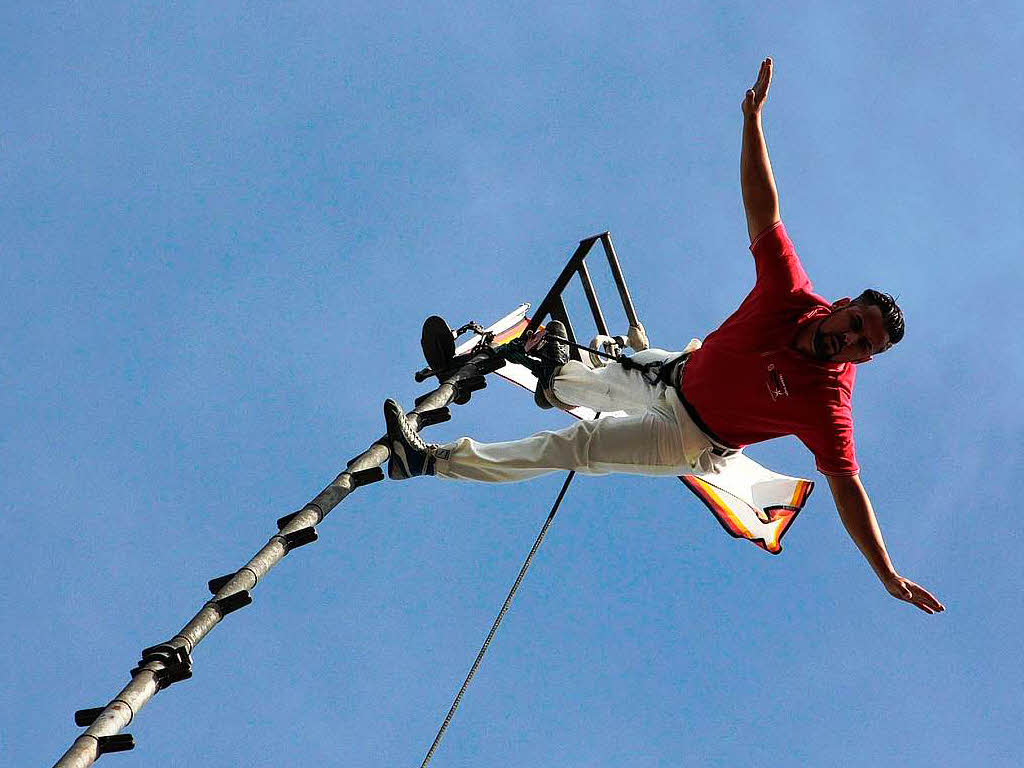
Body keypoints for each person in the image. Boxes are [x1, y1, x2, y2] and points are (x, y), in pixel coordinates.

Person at [382, 58, 944, 615]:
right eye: (853, 327)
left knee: (571, 448)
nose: (847, 343)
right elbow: (763, 209)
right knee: (598, 373)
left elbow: (849, 490)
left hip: (689, 438)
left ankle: (430, 461)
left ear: (864, 361)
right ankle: (549, 373)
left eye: (861, 347)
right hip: (672, 373)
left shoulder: (828, 405)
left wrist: (886, 571)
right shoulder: (789, 292)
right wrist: (752, 122)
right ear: (842, 307)